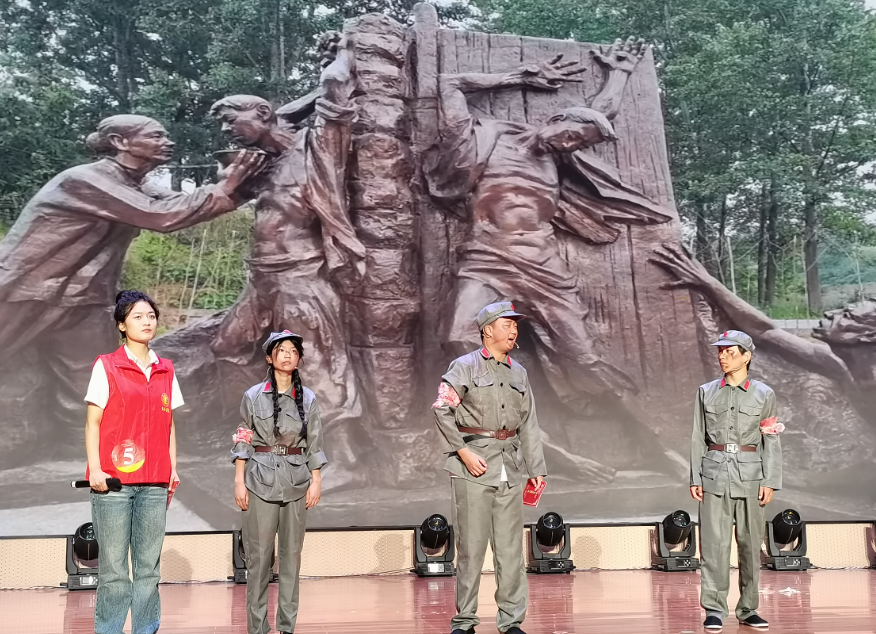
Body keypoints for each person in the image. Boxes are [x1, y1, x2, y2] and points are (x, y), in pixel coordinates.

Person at [0, 114, 262, 464]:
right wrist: (230, 182)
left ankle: (85, 452)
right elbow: (161, 216)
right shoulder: (85, 180)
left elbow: (183, 206)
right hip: (24, 289)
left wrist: (246, 184)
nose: (167, 142)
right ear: (120, 142)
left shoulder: (135, 183)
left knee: (92, 379)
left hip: (83, 296)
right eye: (156, 136)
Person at [432, 302, 547, 634]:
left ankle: (511, 621)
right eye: (506, 324)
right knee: (471, 547)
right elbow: (441, 409)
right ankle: (465, 620)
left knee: (510, 550)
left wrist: (536, 469)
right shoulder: (464, 366)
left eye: (515, 325)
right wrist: (463, 452)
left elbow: (529, 423)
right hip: (474, 467)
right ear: (487, 330)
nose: (513, 330)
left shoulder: (519, 373)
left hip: (509, 467)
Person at [84, 290, 184, 634]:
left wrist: (172, 468)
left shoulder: (165, 369)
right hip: (113, 482)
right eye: (138, 316)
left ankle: (146, 629)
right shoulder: (106, 365)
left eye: (151, 316)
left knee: (148, 569)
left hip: (154, 482)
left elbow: (169, 424)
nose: (147, 322)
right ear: (122, 325)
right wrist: (95, 469)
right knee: (113, 570)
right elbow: (93, 422)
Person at [232, 331, 327, 634]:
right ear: (268, 357)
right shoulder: (253, 395)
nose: (287, 355)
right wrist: (239, 480)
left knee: (291, 558)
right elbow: (243, 439)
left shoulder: (308, 398)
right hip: (259, 479)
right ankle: (258, 627)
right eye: (281, 350)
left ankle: (287, 627)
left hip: (296, 480)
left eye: (293, 351)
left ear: (299, 359)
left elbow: (314, 443)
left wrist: (316, 480)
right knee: (259, 559)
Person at [690, 330, 782, 630]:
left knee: (750, 545)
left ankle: (748, 608)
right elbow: (697, 437)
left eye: (730, 352)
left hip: (751, 477)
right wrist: (695, 476)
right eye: (721, 351)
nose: (723, 356)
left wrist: (770, 480)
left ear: (747, 356)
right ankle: (714, 609)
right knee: (713, 546)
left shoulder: (764, 394)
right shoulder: (706, 392)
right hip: (714, 474)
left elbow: (771, 440)